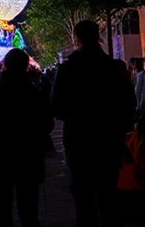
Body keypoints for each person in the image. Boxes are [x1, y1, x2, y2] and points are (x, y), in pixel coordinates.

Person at [51, 20, 136, 227]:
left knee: (83, 199)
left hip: (78, 140)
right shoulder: (116, 68)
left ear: (76, 38)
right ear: (98, 35)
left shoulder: (68, 69)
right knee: (109, 195)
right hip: (110, 139)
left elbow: (56, 106)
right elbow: (129, 104)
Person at [0, 48, 53, 226]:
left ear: (4, 65)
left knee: (2, 209)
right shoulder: (35, 93)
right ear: (26, 67)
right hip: (29, 157)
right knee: (29, 211)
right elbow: (48, 124)